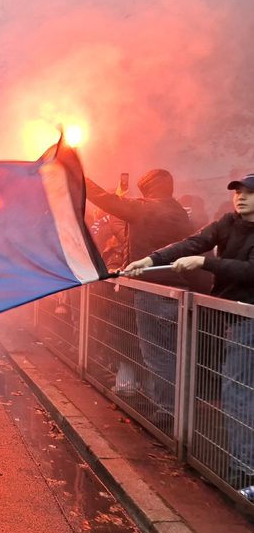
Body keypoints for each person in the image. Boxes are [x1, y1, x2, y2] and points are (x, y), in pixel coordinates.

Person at [124, 173, 254, 487]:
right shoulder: (228, 222)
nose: (241, 196)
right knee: (238, 391)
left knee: (237, 393)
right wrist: (151, 259)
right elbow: (193, 243)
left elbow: (251, 271)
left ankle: (245, 472)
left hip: (248, 319)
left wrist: (204, 264)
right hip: (234, 317)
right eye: (238, 191)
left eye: (250, 192)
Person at [86, 169, 195, 420]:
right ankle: (171, 406)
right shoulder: (178, 211)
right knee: (174, 353)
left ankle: (168, 411)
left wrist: (79, 176)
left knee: (156, 353)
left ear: (147, 188)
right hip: (177, 290)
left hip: (151, 290)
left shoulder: (145, 209)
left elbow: (105, 199)